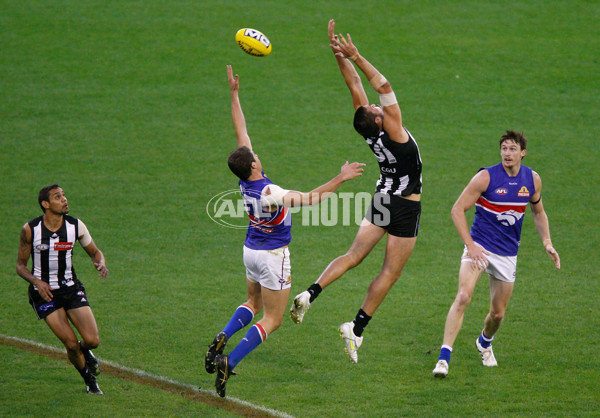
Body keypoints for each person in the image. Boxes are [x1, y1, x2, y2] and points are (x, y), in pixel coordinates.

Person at [205, 65, 365, 398]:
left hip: (250, 249)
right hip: (273, 256)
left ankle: (221, 337)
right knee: (273, 318)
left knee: (252, 300)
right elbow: (309, 199)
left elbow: (241, 132)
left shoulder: (244, 182)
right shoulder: (270, 192)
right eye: (254, 155)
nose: (257, 153)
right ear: (252, 165)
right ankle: (228, 362)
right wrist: (342, 177)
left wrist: (234, 94)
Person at [289, 20, 423, 364]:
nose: (378, 107)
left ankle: (310, 292)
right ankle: (356, 329)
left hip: (381, 199)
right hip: (405, 206)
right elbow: (384, 85)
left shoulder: (368, 129)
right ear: (380, 121)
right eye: (378, 111)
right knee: (390, 272)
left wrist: (338, 54)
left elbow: (353, 84)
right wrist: (357, 56)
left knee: (352, 256)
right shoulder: (393, 131)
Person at [432, 130, 561, 378]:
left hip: (507, 254)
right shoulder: (486, 177)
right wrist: (470, 244)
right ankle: (443, 359)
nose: (507, 153)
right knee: (463, 297)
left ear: (523, 152)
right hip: (479, 247)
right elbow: (457, 209)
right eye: (504, 148)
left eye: (512, 148)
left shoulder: (532, 180)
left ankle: (484, 342)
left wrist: (547, 242)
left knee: (497, 314)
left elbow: (538, 212)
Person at [16, 184, 109, 394]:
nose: (64, 199)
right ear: (45, 204)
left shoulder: (75, 226)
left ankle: (87, 354)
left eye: (64, 195)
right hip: (45, 294)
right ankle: (89, 379)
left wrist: (100, 262)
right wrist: (36, 282)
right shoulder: (31, 230)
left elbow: (95, 252)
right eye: (58, 197)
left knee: (92, 340)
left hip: (70, 288)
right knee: (71, 344)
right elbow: (20, 266)